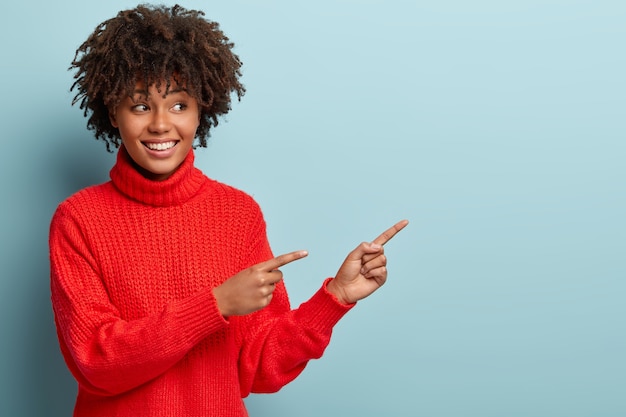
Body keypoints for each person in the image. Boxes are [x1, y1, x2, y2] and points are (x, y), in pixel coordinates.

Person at [49, 4, 408, 417]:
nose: (161, 124)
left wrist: (334, 299)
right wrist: (214, 305)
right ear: (114, 112)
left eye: (179, 105)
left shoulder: (238, 214)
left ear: (202, 110)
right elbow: (95, 362)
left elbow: (257, 369)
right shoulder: (78, 219)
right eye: (141, 106)